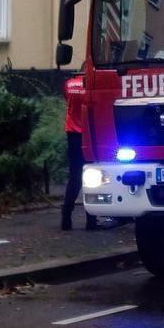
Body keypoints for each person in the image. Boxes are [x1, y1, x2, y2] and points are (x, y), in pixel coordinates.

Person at [61, 72, 98, 231]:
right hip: (89, 135)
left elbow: (66, 100)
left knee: (74, 176)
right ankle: (91, 221)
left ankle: (66, 217)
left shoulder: (69, 84)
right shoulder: (91, 86)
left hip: (72, 134)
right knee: (93, 176)